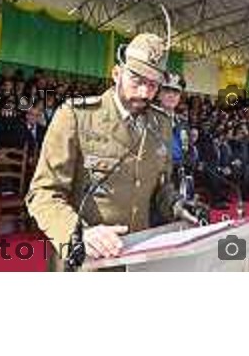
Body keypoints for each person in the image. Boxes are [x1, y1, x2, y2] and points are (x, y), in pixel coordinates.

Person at [26, 33, 180, 269]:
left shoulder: (162, 125)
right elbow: (43, 193)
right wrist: (79, 233)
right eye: (136, 80)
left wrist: (177, 205)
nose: (144, 93)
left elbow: (160, 188)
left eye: (152, 85)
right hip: (86, 263)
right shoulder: (76, 116)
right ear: (116, 73)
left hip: (139, 258)